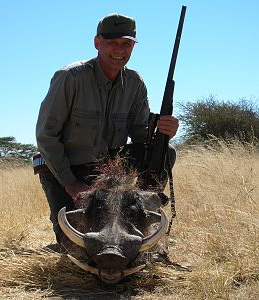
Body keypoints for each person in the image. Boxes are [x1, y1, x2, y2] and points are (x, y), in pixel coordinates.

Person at [35, 13, 179, 244]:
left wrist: (164, 129)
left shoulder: (136, 83)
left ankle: (143, 205)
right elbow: (46, 135)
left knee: (166, 152)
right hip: (69, 172)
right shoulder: (70, 77)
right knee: (73, 246)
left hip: (110, 171)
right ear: (97, 43)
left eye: (126, 43)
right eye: (112, 43)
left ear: (133, 45)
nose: (119, 50)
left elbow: (141, 135)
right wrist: (71, 184)